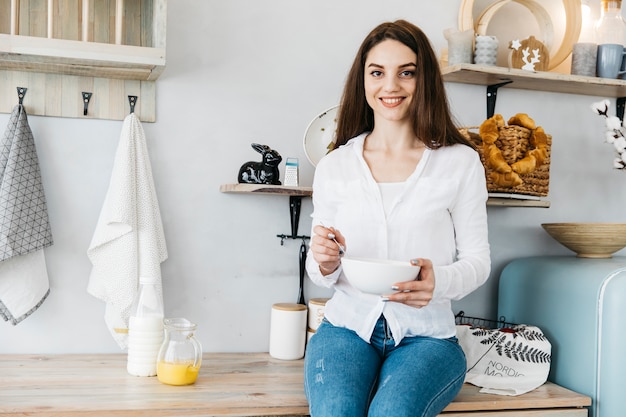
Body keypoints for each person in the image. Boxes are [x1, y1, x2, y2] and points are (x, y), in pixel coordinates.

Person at [303, 20, 491, 417]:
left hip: (428, 339)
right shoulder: (335, 166)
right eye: (378, 73)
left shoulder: (460, 163)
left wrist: (439, 281)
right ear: (363, 81)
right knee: (337, 411)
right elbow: (319, 271)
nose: (391, 86)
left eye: (406, 72)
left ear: (424, 82)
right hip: (346, 329)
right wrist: (324, 260)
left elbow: (478, 262)